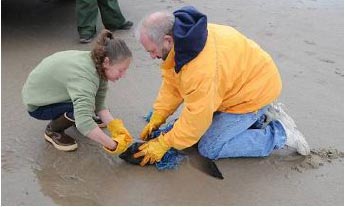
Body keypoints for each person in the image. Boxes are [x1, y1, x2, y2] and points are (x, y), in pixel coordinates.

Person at [133, 6, 311, 166]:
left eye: (152, 50)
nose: (151, 56)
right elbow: (173, 85)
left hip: (253, 94)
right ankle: (259, 119)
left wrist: (164, 143)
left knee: (209, 147)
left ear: (167, 40)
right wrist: (159, 115)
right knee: (187, 133)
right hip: (238, 84)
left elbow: (196, 120)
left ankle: (281, 133)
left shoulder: (199, 69)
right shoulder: (186, 39)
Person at [22, 30, 133, 155]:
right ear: (107, 62)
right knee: (81, 112)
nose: (123, 75)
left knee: (88, 104)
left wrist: (116, 127)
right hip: (38, 104)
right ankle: (53, 130)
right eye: (121, 70)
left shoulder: (98, 64)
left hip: (53, 90)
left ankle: (75, 115)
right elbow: (84, 122)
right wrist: (114, 146)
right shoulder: (85, 77)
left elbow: (99, 103)